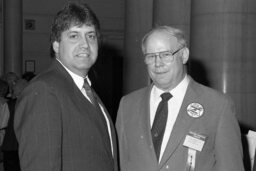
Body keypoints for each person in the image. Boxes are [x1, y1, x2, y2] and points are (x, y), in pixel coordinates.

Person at [116, 25, 245, 171]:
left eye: (166, 54)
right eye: (151, 56)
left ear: (184, 55)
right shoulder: (128, 105)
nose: (158, 63)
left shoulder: (218, 106)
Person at [14, 1, 118, 171]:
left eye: (90, 36)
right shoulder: (44, 91)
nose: (85, 44)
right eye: (74, 36)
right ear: (56, 45)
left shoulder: (86, 90)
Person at [2, 79, 28, 171]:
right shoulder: (29, 103)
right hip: (24, 142)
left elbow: (2, 123)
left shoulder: (9, 104)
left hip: (10, 142)